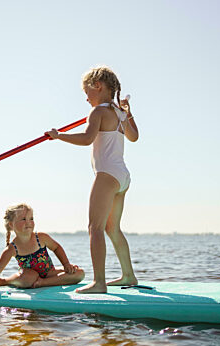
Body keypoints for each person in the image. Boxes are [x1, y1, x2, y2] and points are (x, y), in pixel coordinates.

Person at [46, 66, 139, 294]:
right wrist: (128, 112)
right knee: (112, 228)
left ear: (98, 86)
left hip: (106, 174)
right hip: (123, 176)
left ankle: (99, 282)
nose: (86, 98)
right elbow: (134, 137)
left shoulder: (97, 112)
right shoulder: (119, 113)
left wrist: (59, 136)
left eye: (86, 91)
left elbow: (87, 138)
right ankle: (128, 275)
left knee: (94, 228)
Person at [0, 204, 85, 301]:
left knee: (79, 273)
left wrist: (66, 265)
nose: (29, 222)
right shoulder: (12, 248)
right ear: (11, 224)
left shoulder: (41, 237)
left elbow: (56, 248)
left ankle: (42, 283)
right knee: (29, 278)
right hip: (28, 275)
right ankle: (5, 281)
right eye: (23, 219)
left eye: (31, 218)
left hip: (49, 273)